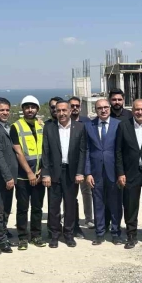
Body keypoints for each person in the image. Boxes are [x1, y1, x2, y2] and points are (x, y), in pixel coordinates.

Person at [41, 100, 86, 248]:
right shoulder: (49, 127)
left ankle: (68, 234)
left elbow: (82, 151)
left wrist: (80, 172)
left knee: (70, 205)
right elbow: (45, 152)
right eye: (58, 110)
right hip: (54, 172)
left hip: (72, 173)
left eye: (64, 110)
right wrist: (46, 174)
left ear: (70, 111)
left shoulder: (79, 127)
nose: (61, 113)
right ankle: (54, 234)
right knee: (54, 206)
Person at [115, 99, 142, 249]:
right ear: (132, 110)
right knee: (130, 205)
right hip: (130, 173)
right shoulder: (123, 126)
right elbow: (118, 151)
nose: (140, 112)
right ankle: (131, 235)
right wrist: (120, 172)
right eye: (137, 109)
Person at [84, 99, 123, 245]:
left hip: (114, 170)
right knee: (98, 202)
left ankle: (116, 233)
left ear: (110, 108)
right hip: (96, 172)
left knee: (115, 203)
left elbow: (122, 150)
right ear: (96, 110)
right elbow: (86, 150)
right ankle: (99, 233)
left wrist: (121, 172)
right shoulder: (89, 126)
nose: (103, 110)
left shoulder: (118, 124)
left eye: (106, 107)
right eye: (100, 108)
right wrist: (88, 173)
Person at [11, 95, 46, 249]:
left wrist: (41, 171)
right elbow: (18, 153)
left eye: (33, 107)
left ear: (37, 109)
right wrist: (29, 173)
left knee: (37, 207)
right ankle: (22, 237)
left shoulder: (42, 126)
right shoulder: (16, 127)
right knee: (22, 208)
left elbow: (46, 150)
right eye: (27, 107)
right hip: (23, 176)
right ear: (23, 109)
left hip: (39, 175)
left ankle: (36, 235)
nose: (30, 110)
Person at [0, 97, 17, 253]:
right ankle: (0, 240)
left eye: (7, 110)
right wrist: (7, 177)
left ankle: (4, 232)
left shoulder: (7, 127)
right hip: (0, 178)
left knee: (6, 207)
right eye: (1, 110)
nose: (5, 113)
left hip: (10, 176)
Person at [69, 96, 94, 230]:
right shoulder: (64, 121)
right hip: (69, 164)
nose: (74, 108)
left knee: (86, 192)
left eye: (77, 106)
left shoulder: (87, 121)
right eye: (72, 106)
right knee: (69, 193)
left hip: (84, 162)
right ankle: (70, 217)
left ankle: (89, 219)